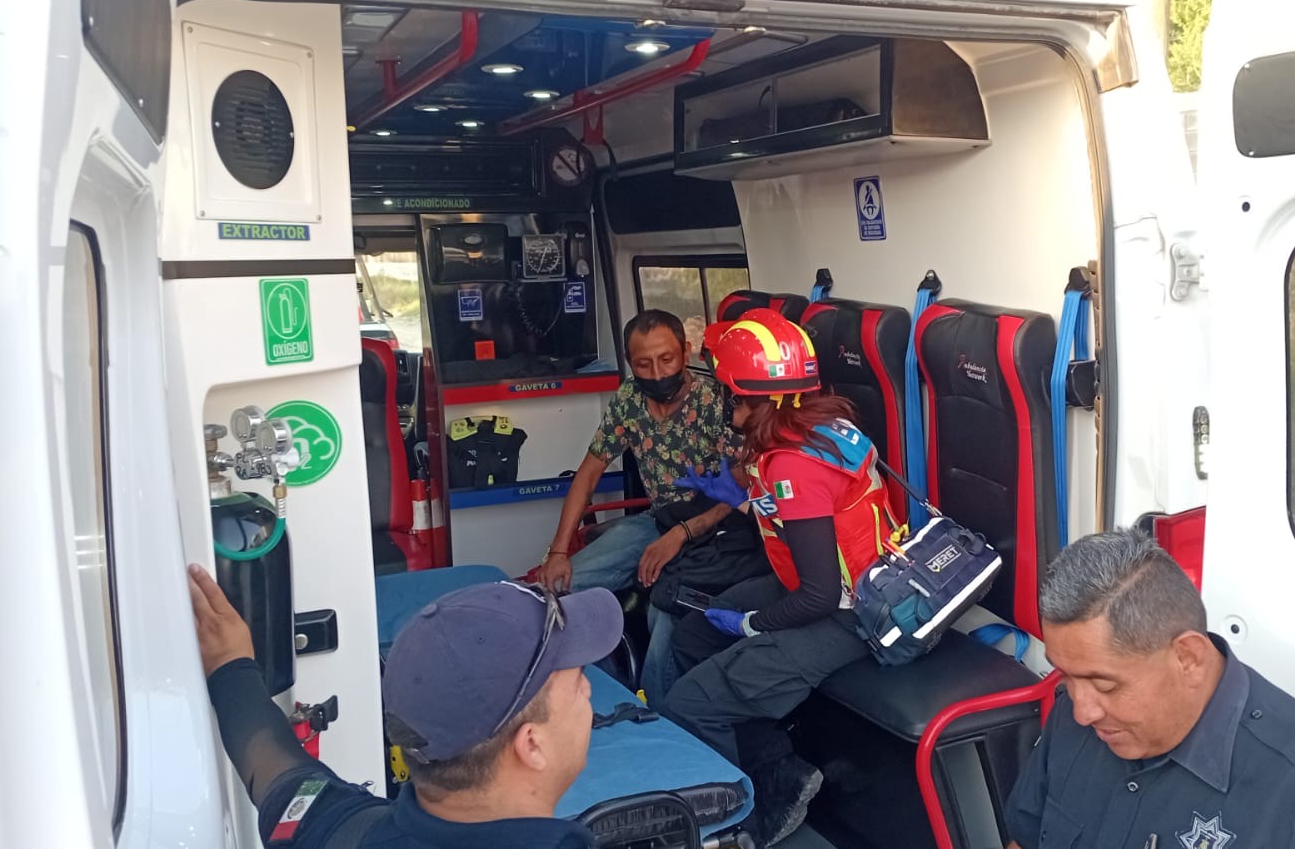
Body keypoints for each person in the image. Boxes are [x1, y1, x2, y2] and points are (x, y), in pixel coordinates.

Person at [1004, 529, 1295, 849]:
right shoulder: (1078, 717)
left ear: (1189, 658)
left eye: (1106, 685)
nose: (1082, 711)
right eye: (1066, 676)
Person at [663, 308, 901, 846]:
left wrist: (752, 624)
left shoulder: (796, 463)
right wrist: (738, 497)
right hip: (826, 585)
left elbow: (820, 595)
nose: (725, 401)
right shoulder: (815, 429)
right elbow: (803, 519)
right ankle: (773, 766)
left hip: (850, 615)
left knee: (690, 704)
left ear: (756, 397)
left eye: (729, 391)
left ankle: (739, 825)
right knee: (693, 635)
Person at [186, 563, 622, 848]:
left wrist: (231, 668)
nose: (588, 691)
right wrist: (231, 669)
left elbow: (270, 767)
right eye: (577, 680)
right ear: (532, 744)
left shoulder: (337, 828)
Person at [537, 309, 738, 703]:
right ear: (630, 363)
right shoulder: (630, 398)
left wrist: (682, 534)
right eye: (644, 364)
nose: (658, 373)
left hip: (716, 530)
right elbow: (589, 472)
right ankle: (605, 694)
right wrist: (558, 552)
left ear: (686, 351)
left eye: (667, 359)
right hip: (658, 520)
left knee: (666, 611)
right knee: (557, 589)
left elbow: (741, 490)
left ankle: (656, 722)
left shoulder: (715, 403)